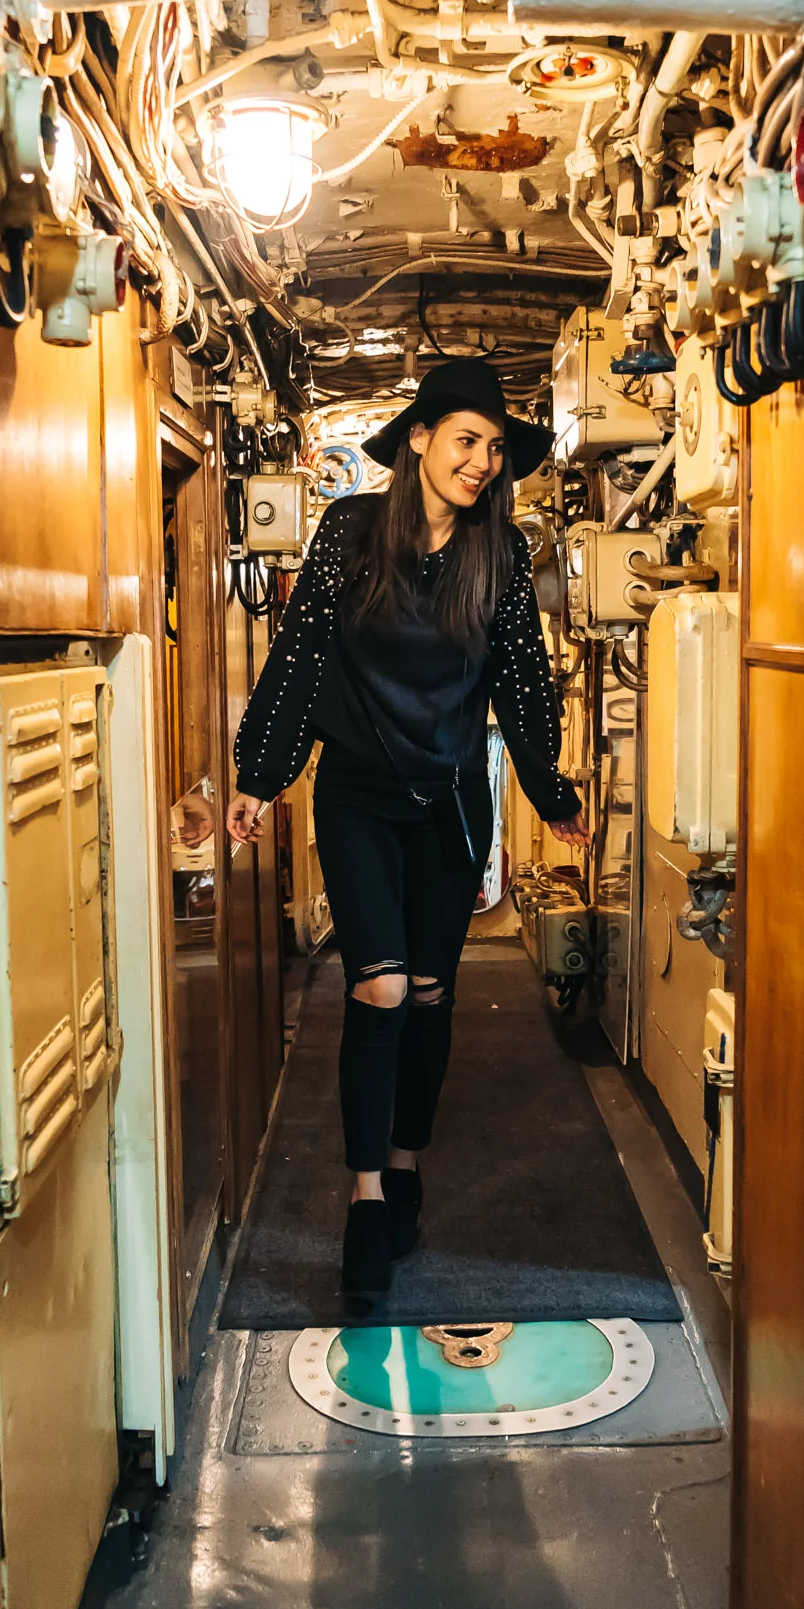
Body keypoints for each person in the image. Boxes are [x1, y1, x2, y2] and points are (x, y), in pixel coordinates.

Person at [227, 357, 589, 1296]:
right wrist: (260, 780)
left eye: (495, 448)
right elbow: (301, 659)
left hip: (454, 802)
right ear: (419, 440)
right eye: (467, 440)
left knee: (430, 993)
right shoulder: (350, 531)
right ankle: (364, 1199)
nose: (482, 461)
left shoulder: (499, 555)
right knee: (379, 989)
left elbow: (523, 684)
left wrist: (551, 794)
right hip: (356, 796)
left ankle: (406, 1162)